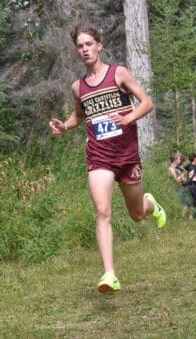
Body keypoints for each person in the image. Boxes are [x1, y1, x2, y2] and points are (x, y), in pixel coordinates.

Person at [49, 23, 166, 294]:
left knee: (136, 214)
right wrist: (64, 126)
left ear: (99, 46)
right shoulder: (78, 87)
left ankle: (150, 204)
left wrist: (129, 117)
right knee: (102, 211)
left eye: (89, 44)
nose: (85, 49)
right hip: (99, 155)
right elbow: (79, 116)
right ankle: (109, 274)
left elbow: (147, 103)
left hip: (126, 154)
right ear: (77, 51)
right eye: (80, 46)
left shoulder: (118, 74)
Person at [168, 152, 192, 220]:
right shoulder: (171, 169)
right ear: (175, 160)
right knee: (181, 204)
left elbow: (183, 180)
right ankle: (181, 219)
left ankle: (191, 220)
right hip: (176, 188)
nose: (180, 160)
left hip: (182, 187)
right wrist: (181, 177)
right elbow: (176, 180)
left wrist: (185, 179)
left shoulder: (178, 169)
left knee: (189, 202)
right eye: (179, 159)